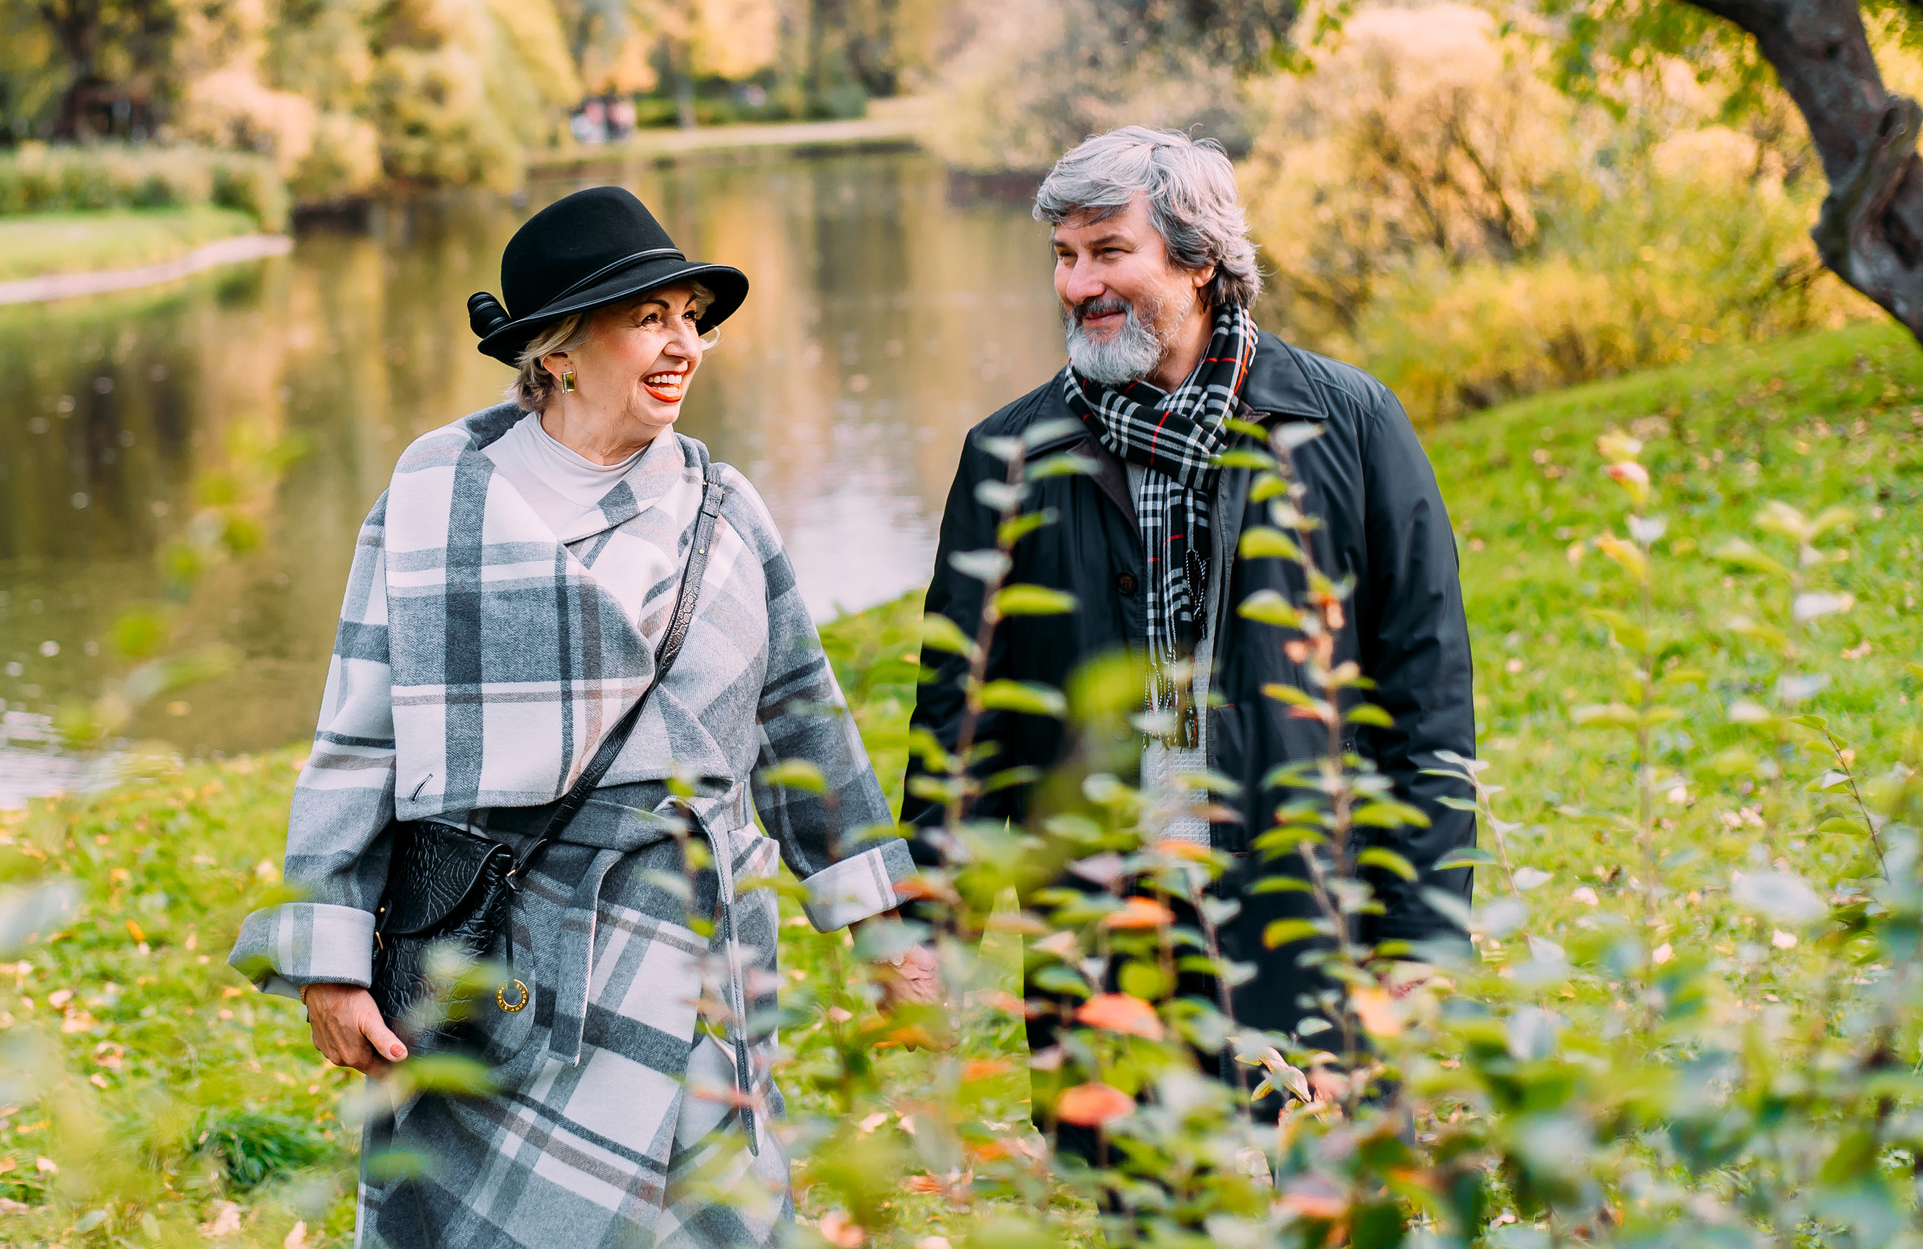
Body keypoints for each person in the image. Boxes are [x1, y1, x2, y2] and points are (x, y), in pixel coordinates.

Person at [233, 185, 929, 1249]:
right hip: (504, 962)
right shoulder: (437, 496)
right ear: (555, 348)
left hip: (696, 946)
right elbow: (360, 732)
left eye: (690, 317)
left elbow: (799, 713)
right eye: (651, 317)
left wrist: (877, 913)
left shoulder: (720, 503)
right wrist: (327, 954)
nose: (683, 343)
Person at [902, 128, 1476, 1106]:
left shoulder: (1351, 424)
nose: (1076, 284)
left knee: (1319, 1197)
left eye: (1107, 250)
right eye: (1063, 256)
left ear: (1201, 258)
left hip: (1308, 911)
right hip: (1102, 933)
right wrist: (929, 927)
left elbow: (1424, 694)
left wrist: (1420, 933)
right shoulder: (1006, 456)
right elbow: (962, 719)